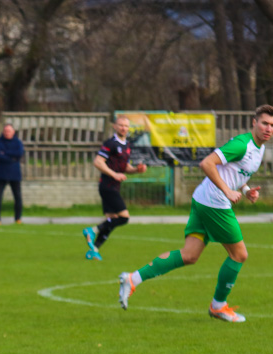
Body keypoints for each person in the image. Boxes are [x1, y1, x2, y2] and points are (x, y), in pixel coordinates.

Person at [118, 104, 273, 322]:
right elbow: (207, 163)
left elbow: (237, 172)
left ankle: (132, 279)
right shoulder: (242, 144)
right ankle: (218, 306)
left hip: (203, 199)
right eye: (265, 123)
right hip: (214, 203)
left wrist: (246, 190)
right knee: (239, 255)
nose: (268, 128)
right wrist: (227, 190)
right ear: (254, 123)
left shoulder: (260, 148)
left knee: (189, 255)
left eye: (272, 125)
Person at [82, 115, 147, 260]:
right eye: (121, 125)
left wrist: (137, 170)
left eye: (126, 126)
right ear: (115, 126)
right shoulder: (110, 143)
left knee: (111, 221)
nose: (123, 128)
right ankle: (92, 230)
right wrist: (114, 174)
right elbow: (98, 162)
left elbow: (125, 167)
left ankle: (95, 249)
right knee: (124, 218)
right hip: (107, 186)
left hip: (114, 186)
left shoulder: (127, 145)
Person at [0, 122, 24, 225]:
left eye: (9, 131)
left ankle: (17, 218)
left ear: (13, 132)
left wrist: (5, 153)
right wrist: (11, 157)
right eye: (5, 131)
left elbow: (19, 153)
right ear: (3, 132)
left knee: (17, 197)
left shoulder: (17, 142)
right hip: (1, 173)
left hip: (15, 174)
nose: (7, 133)